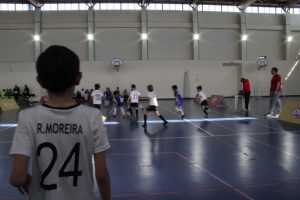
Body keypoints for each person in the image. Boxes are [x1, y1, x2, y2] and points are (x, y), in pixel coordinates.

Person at [9, 45, 111, 200]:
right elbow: (102, 174)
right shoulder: (93, 116)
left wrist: (30, 183)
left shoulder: (27, 117)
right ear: (78, 78)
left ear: (40, 82)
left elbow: (17, 177)